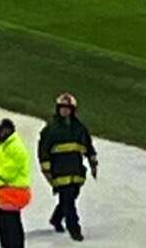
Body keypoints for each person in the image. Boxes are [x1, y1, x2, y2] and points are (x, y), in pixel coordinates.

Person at [37, 92, 97, 240]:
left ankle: (56, 218)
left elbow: (88, 145)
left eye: (67, 108)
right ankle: (74, 229)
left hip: (76, 170)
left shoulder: (79, 128)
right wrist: (47, 171)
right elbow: (43, 151)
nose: (64, 110)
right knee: (68, 200)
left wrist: (93, 161)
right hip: (60, 171)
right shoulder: (51, 129)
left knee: (69, 198)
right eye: (62, 108)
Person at [0, 117, 34, 247]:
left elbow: (5, 174)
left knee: (12, 229)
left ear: (9, 131)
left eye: (1, 130)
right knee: (3, 229)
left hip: (12, 195)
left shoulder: (16, 148)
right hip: (2, 196)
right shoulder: (1, 146)